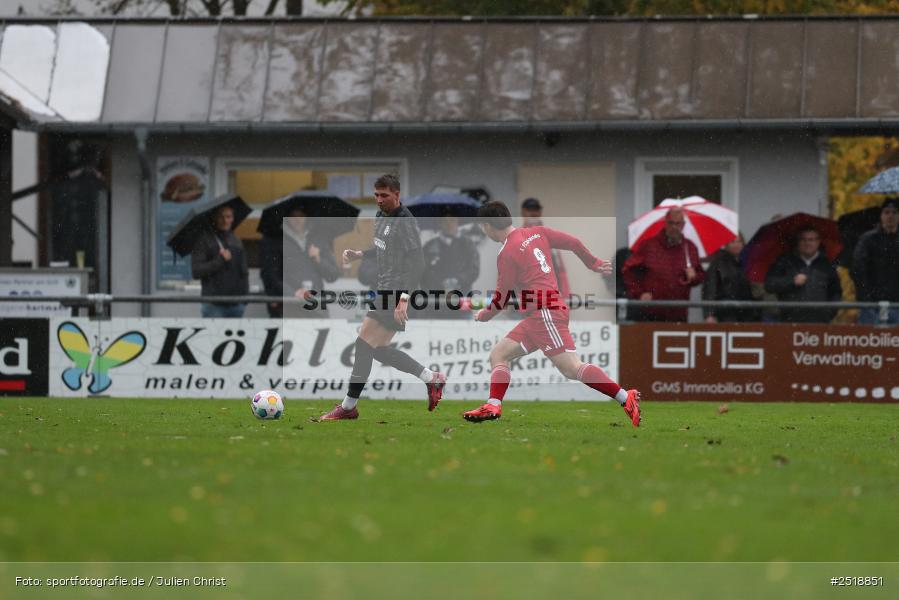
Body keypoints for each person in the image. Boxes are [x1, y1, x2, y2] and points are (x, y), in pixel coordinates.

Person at [462, 201, 641, 427]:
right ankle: (493, 405)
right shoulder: (536, 233)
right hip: (539, 315)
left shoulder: (507, 253)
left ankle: (626, 398)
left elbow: (501, 299)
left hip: (545, 314)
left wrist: (484, 315)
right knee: (499, 354)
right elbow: (573, 242)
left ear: (488, 226)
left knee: (572, 368)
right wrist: (592, 262)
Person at [318, 174, 446, 421]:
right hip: (385, 289)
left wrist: (404, 298)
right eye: (376, 195)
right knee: (377, 350)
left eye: (384, 195)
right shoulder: (380, 216)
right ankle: (432, 378)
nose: (379, 200)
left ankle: (348, 407)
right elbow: (383, 249)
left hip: (397, 291)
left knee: (363, 344)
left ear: (397, 195)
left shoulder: (406, 222)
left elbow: (418, 263)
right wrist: (359, 254)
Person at [622, 207, 705, 322]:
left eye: (678, 224)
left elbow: (700, 276)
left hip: (678, 313)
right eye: (671, 223)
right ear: (665, 223)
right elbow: (628, 270)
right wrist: (639, 294)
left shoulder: (690, 248)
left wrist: (694, 276)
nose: (674, 227)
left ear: (683, 225)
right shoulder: (649, 245)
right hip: (650, 313)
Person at [259, 208, 340, 318]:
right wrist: (292, 293)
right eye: (293, 216)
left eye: (301, 216)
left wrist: (318, 260)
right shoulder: (275, 240)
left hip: (316, 306)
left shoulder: (318, 238)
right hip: (288, 307)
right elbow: (270, 275)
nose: (297, 219)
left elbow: (333, 275)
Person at [765, 225, 842, 323]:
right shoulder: (785, 261)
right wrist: (791, 281)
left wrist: (829, 312)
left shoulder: (827, 264)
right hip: (790, 322)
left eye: (811, 239)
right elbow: (770, 285)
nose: (807, 243)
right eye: (803, 239)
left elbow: (836, 292)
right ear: (798, 242)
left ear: (818, 242)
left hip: (820, 322)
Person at [191, 205, 248, 318]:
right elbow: (196, 271)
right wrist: (220, 260)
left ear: (232, 218)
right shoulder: (204, 241)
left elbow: (243, 272)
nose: (225, 220)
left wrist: (244, 299)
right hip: (213, 305)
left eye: (228, 217)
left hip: (236, 304)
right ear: (215, 218)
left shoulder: (236, 241)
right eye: (221, 217)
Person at [421, 211, 480, 318]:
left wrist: (458, 280)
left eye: (452, 220)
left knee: (463, 333)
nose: (449, 224)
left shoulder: (467, 244)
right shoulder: (429, 246)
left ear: (458, 222)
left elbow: (474, 269)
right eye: (445, 221)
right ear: (439, 223)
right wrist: (441, 284)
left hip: (462, 301)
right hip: (437, 305)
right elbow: (424, 272)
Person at [851, 197, 899, 325]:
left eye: (894, 212)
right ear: (881, 215)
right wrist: (866, 299)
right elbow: (858, 270)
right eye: (887, 212)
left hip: (897, 304)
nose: (891, 216)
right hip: (871, 305)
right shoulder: (868, 240)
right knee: (870, 342)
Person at [521, 197, 570, 300]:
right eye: (530, 210)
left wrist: (566, 296)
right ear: (523, 212)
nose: (534, 213)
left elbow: (560, 270)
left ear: (540, 212)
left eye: (536, 210)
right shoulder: (516, 238)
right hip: (521, 298)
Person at [702, 233, 758, 323]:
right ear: (726, 245)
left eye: (739, 241)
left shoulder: (749, 262)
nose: (736, 245)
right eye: (732, 242)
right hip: (726, 313)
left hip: (747, 313)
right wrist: (709, 314)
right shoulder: (718, 263)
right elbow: (710, 290)